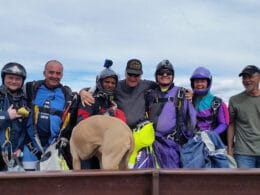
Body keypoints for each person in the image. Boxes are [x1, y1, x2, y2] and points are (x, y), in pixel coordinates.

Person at [22, 60, 78, 171]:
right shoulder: (30, 88)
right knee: (28, 182)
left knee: (52, 183)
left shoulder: (67, 94)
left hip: (54, 148)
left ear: (62, 75)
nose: (54, 76)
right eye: (51, 72)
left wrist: (83, 92)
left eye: (58, 73)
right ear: (44, 73)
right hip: (31, 147)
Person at [145, 60, 197, 168]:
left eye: (168, 73)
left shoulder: (182, 93)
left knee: (171, 178)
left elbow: (191, 119)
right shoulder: (150, 94)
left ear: (172, 76)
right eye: (161, 73)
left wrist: (186, 139)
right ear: (156, 76)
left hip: (173, 146)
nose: (165, 75)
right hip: (152, 144)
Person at [77, 59, 126, 169]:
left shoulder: (110, 103)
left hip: (104, 152)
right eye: (107, 82)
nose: (110, 85)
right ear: (100, 82)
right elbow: (81, 127)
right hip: (88, 154)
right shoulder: (89, 99)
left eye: (113, 83)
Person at [80, 58, 157, 129]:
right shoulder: (116, 85)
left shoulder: (146, 84)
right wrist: (82, 92)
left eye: (136, 75)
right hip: (120, 130)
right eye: (130, 74)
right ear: (125, 73)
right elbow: (98, 88)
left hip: (140, 130)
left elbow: (162, 85)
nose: (133, 78)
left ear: (141, 75)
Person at [227, 65, 260, 168]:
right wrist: (230, 148)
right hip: (243, 153)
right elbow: (231, 125)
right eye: (244, 77)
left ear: (259, 77)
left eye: (250, 77)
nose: (247, 80)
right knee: (245, 184)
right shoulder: (234, 100)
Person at [190, 66, 229, 144]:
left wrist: (210, 135)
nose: (199, 84)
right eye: (197, 81)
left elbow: (224, 124)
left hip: (211, 143)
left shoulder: (218, 102)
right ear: (193, 83)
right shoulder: (188, 100)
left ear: (208, 82)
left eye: (202, 81)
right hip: (192, 141)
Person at [0, 62, 28, 171]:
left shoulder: (24, 101)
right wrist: (6, 115)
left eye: (18, 79)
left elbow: (25, 128)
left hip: (13, 153)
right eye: (10, 78)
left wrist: (21, 148)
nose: (14, 81)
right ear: (3, 78)